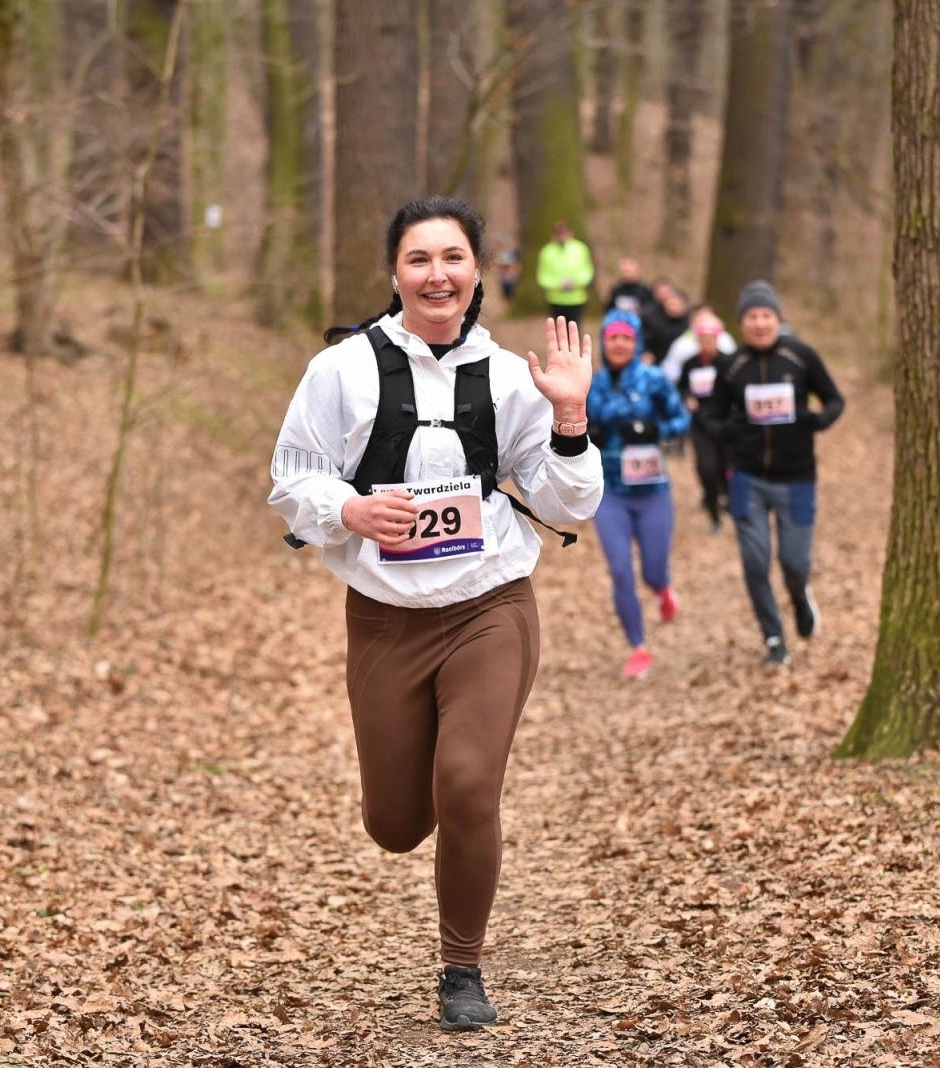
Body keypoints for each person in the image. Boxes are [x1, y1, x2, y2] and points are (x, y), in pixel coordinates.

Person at [268, 197, 602, 1031]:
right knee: (394, 824)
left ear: (477, 274)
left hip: (490, 608)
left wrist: (568, 415)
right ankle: (417, 823)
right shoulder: (342, 371)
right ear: (395, 275)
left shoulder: (508, 378)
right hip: (384, 619)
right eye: (419, 259)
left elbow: (571, 499)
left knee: (466, 783)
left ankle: (462, 968)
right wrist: (347, 511)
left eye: (453, 258)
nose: (437, 274)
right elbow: (291, 478)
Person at [697, 280, 844, 666]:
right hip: (747, 479)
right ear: (741, 324)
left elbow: (834, 400)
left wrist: (815, 420)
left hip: (796, 478)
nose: (760, 323)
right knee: (755, 561)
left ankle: (799, 596)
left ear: (778, 319)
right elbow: (710, 416)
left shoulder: (801, 357)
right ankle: (774, 638)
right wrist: (732, 429)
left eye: (767, 315)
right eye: (752, 316)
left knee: (795, 563)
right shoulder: (732, 367)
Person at [585, 308, 690, 678]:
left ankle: (662, 588)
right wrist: (585, 433)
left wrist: (655, 430)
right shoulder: (593, 382)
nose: (619, 344)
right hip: (610, 492)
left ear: (636, 342)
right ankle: (639, 648)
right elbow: (571, 423)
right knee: (619, 570)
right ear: (604, 342)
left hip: (651, 491)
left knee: (652, 570)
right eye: (612, 337)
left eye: (626, 338)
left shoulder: (654, 380)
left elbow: (683, 420)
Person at [661, 306, 737, 532]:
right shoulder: (690, 363)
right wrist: (687, 400)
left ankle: (728, 499)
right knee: (707, 468)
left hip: (725, 423)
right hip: (700, 424)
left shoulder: (728, 362)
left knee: (726, 467)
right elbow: (681, 387)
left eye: (710, 339)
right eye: (702, 340)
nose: (707, 344)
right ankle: (714, 515)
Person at [535, 219, 594, 329]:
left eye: (564, 233)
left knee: (575, 330)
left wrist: (575, 283)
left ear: (570, 232)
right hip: (555, 299)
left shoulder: (581, 249)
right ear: (553, 235)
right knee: (559, 331)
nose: (561, 236)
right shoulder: (546, 252)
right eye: (558, 233)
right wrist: (558, 285)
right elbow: (542, 276)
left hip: (577, 298)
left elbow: (587, 272)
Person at [641, 285, 691, 364]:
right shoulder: (654, 320)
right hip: (657, 361)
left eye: (676, 304)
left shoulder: (689, 323)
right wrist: (647, 352)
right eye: (670, 304)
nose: (672, 307)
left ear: (684, 306)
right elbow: (647, 341)